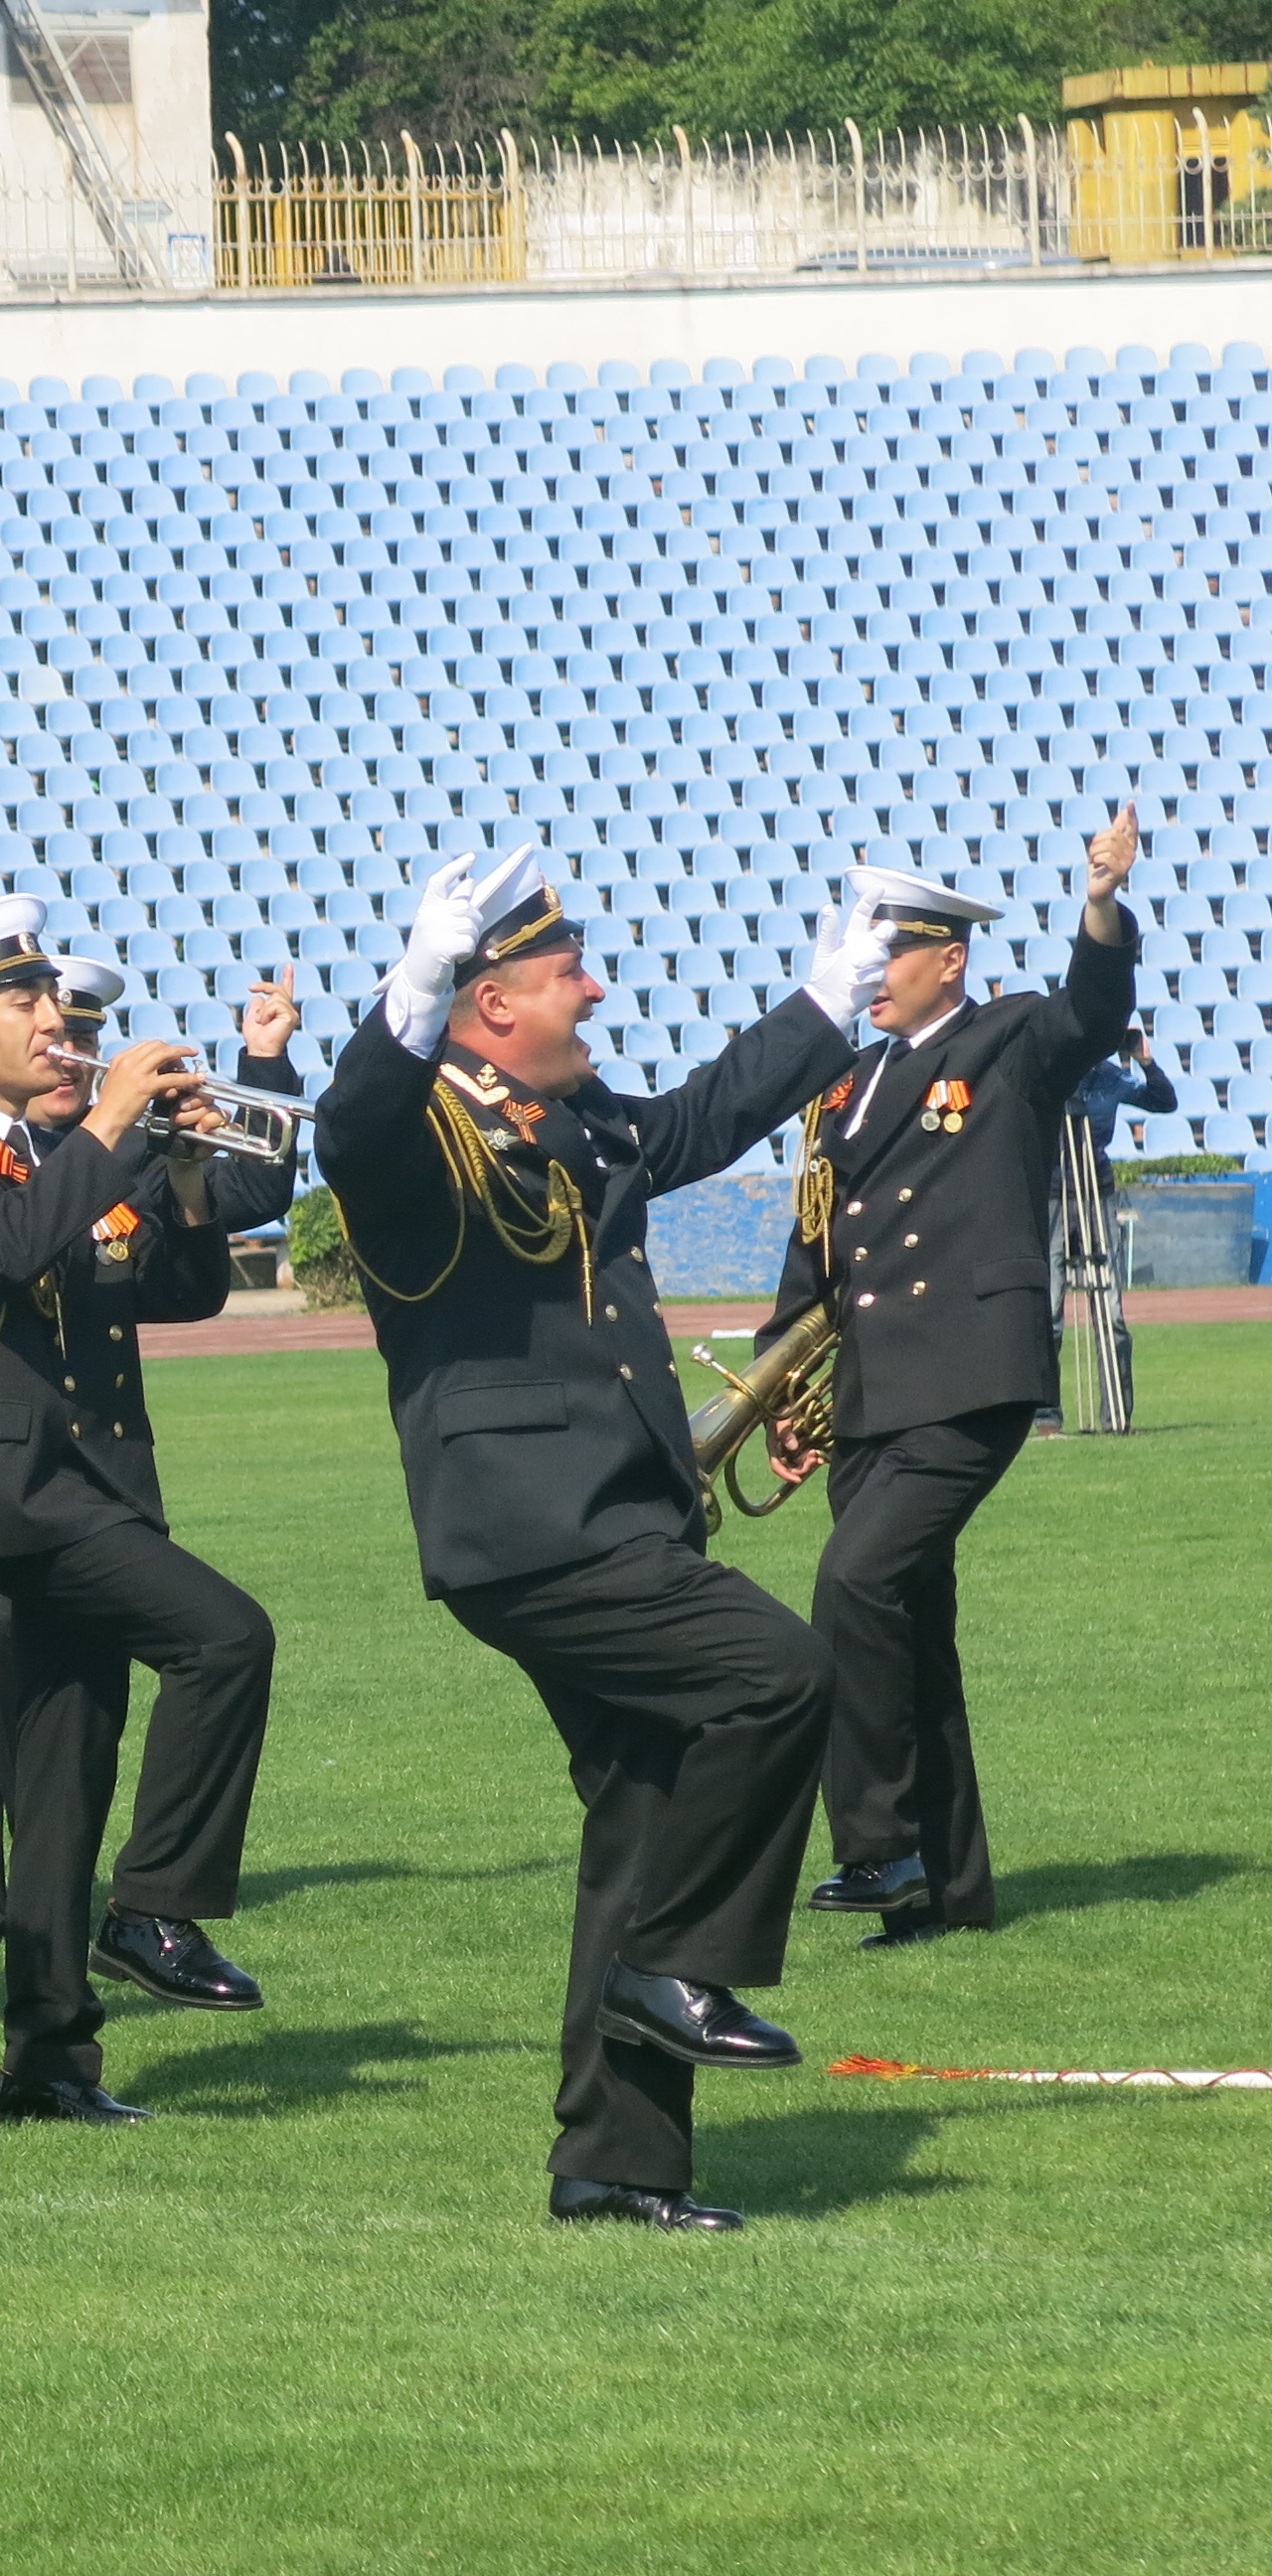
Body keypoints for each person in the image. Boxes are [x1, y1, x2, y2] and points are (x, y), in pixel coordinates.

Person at [316, 844, 871, 2232]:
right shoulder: (418, 1134)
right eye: (571, 974)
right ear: (493, 1002)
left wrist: (825, 1002)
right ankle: (676, 1965)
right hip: (534, 1525)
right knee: (779, 1673)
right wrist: (410, 988)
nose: (598, 991)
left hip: (618, 1507)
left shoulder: (572, 1118)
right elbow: (349, 1131)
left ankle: (614, 2167)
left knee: (648, 1803)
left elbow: (696, 1121)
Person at [0, 896, 276, 2130]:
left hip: (95, 1489)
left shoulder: (63, 1156)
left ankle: (45, 2062)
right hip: (16, 1497)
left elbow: (179, 1294)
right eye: (23, 1001)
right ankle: (155, 1908)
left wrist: (183, 1172)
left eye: (52, 999)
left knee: (59, 1785)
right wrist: (105, 1126)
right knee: (226, 1639)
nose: (52, 1019)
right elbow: (0, 1255)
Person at [767, 813, 1144, 1946]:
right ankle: (949, 1894)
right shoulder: (842, 1086)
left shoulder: (1008, 1038)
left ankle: (877, 1845)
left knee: (854, 1585)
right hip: (871, 1392)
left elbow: (1093, 1013)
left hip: (970, 1377)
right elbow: (818, 1241)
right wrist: (777, 1388)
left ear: (949, 958)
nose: (872, 974)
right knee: (913, 1630)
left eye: (891, 953)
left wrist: (1099, 904)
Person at [1039, 1019, 1175, 1435]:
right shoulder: (1049, 1074)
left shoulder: (1112, 1077)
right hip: (1055, 1193)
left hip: (1097, 1191)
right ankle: (1046, 1417)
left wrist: (1146, 1062)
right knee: (1049, 1313)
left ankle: (1117, 1416)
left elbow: (1163, 1101)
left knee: (1111, 1312)